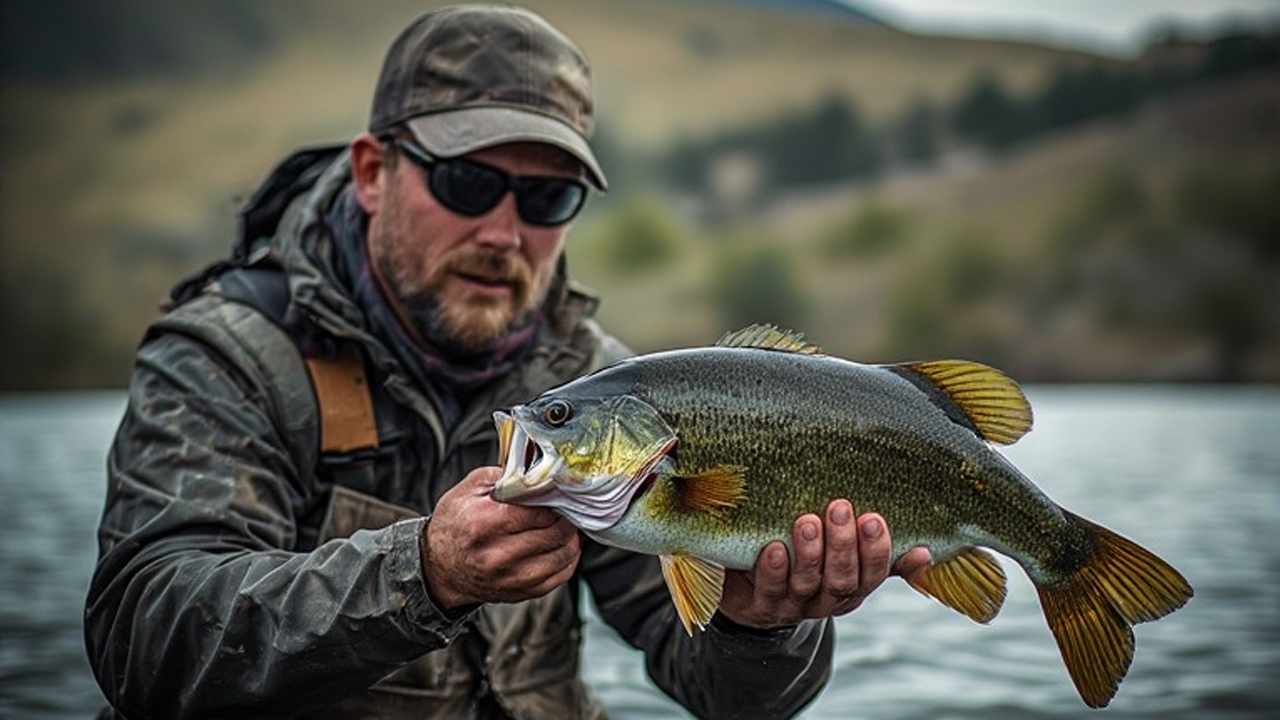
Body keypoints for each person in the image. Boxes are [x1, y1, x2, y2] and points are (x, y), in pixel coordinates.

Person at [85, 5, 928, 719]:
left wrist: (762, 625)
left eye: (546, 197)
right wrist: (423, 572)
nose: (502, 231)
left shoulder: (604, 388)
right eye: (464, 183)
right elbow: (142, 639)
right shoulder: (227, 358)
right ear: (374, 173)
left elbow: (716, 689)